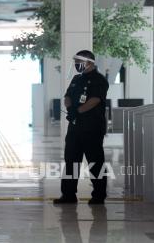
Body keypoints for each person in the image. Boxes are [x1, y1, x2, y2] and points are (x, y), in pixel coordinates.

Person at [54, 50, 109, 205]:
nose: (76, 65)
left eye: (79, 62)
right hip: (75, 129)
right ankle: (68, 195)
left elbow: (94, 100)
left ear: (89, 62)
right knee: (71, 161)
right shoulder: (77, 78)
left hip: (92, 128)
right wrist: (70, 109)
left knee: (95, 163)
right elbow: (67, 96)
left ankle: (99, 196)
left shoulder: (99, 80)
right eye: (75, 62)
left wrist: (77, 112)